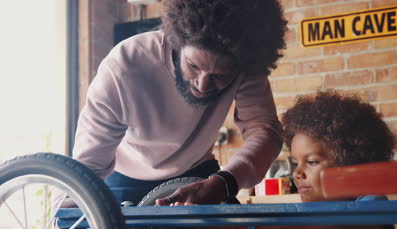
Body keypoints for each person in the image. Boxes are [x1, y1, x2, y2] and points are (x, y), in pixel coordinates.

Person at [72, 0, 288, 206]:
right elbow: (89, 163)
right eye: (193, 66)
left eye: (219, 75)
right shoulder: (124, 67)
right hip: (125, 176)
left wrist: (226, 182)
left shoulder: (247, 64)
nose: (203, 85)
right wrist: (63, 216)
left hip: (200, 173)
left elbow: (264, 131)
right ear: (176, 42)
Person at [186, 90, 397, 229]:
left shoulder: (372, 203)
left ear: (353, 164)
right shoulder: (299, 219)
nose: (297, 173)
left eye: (312, 162)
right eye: (296, 163)